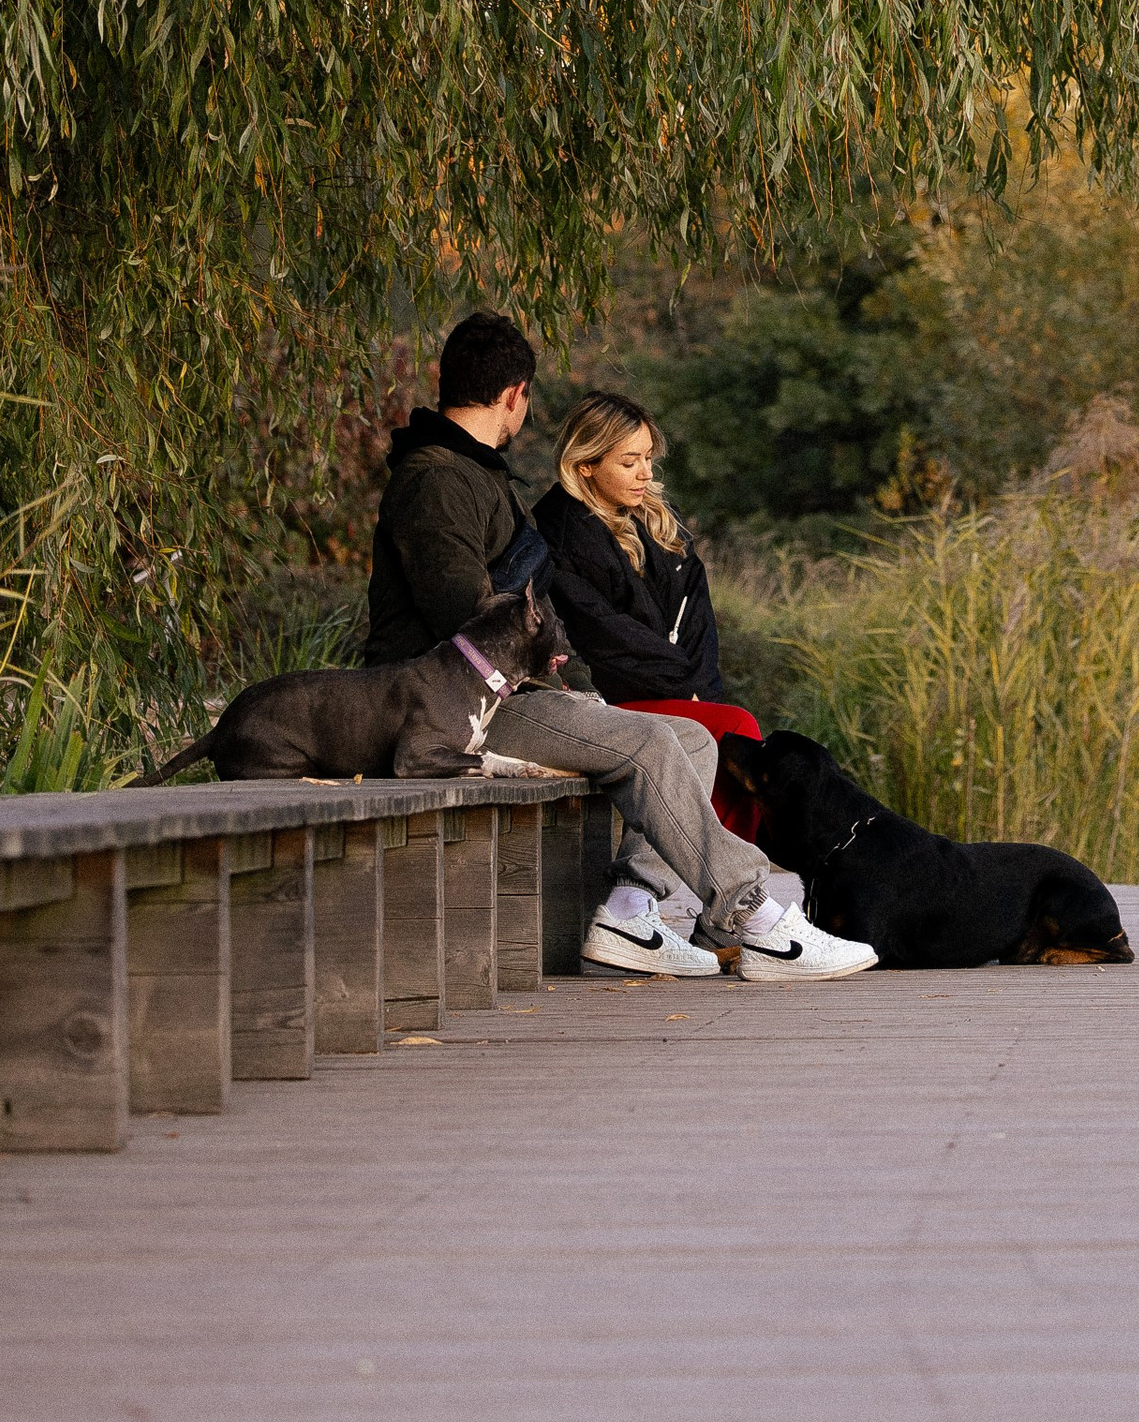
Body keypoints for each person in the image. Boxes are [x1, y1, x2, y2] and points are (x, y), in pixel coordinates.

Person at [365, 310, 872, 984]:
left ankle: (631, 914)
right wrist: (552, 655)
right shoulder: (437, 479)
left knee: (690, 740)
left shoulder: (476, 474)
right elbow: (465, 612)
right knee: (654, 743)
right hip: (447, 710)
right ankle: (759, 921)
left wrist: (559, 666)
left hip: (494, 696)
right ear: (517, 394)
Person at [535, 389, 764, 836]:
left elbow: (697, 616)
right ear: (586, 464)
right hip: (611, 692)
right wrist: (683, 686)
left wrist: (701, 690)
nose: (646, 473)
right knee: (736, 728)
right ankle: (735, 878)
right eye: (629, 462)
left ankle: (735, 873)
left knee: (731, 730)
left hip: (674, 684)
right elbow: (604, 637)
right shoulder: (560, 532)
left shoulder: (658, 518)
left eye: (648, 458)